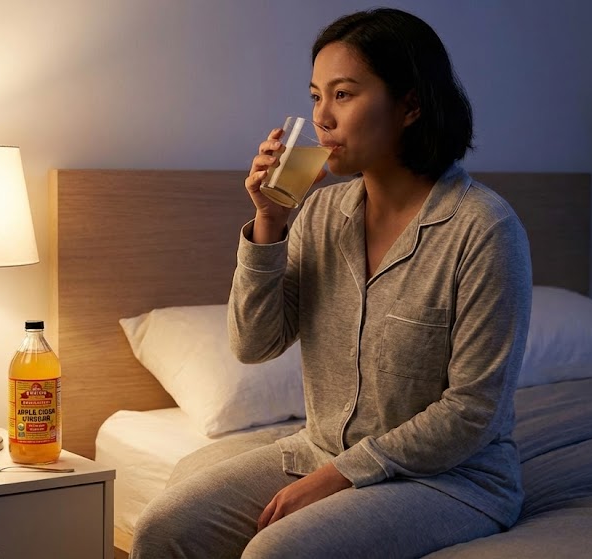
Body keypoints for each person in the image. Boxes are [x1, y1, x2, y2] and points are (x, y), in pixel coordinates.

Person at [130, 7, 531, 558]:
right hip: (319, 450)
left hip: (453, 479)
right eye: (316, 96)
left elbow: (472, 412)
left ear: (410, 105)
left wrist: (340, 475)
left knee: (277, 552)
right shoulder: (319, 214)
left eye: (343, 94)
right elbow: (254, 344)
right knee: (164, 528)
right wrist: (270, 224)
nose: (322, 119)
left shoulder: (483, 227)